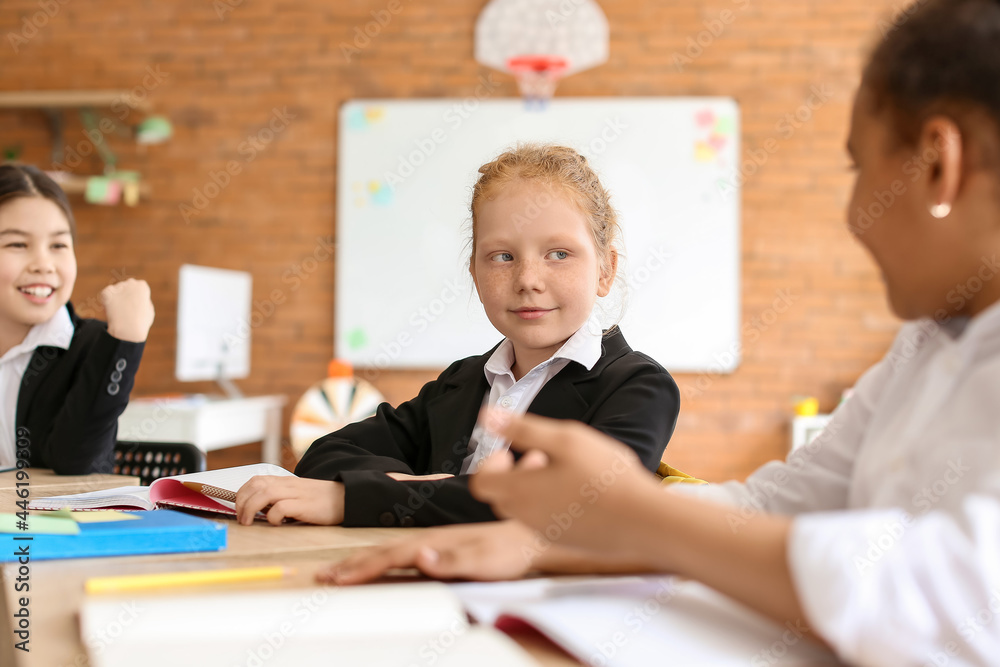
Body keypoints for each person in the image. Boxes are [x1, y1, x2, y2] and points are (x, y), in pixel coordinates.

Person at [317, 1, 1000, 664]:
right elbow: (770, 504)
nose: (857, 213)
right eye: (502, 255)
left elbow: (955, 596)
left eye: (859, 168)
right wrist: (552, 546)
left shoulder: (632, 382)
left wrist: (630, 517)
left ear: (939, 163)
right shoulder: (925, 345)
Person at [235, 144, 680, 527]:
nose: (528, 278)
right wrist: (422, 490)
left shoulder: (638, 388)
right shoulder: (461, 382)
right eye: (502, 256)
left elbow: (574, 509)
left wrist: (357, 498)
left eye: (558, 253)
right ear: (474, 272)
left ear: (605, 270)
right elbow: (329, 451)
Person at [0, 164, 154, 474]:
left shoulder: (96, 345)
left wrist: (126, 338)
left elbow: (75, 462)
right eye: (17, 244)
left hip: (49, 522)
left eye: (58, 245)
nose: (44, 264)